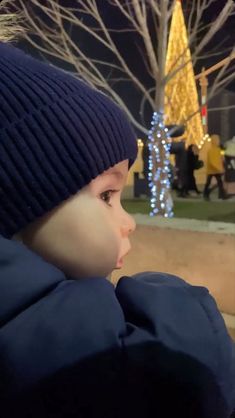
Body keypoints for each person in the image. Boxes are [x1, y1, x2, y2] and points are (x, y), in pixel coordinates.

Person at [0, 43, 235, 418]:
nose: (130, 222)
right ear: (19, 208)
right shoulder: (89, 365)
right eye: (107, 195)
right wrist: (190, 326)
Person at [203, 134, 227, 200]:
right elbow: (211, 161)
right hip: (212, 170)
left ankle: (222, 195)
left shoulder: (218, 149)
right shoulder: (210, 151)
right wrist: (219, 168)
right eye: (217, 140)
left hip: (216, 170)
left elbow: (221, 158)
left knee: (219, 183)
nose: (218, 141)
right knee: (209, 183)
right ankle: (206, 194)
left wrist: (222, 152)